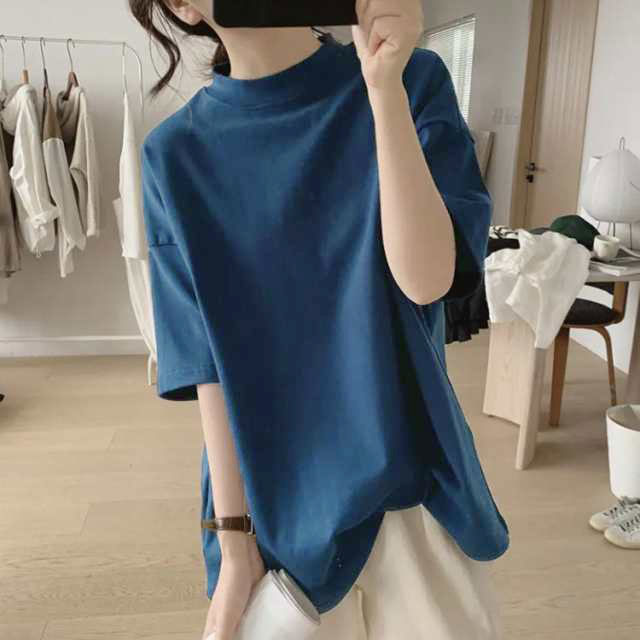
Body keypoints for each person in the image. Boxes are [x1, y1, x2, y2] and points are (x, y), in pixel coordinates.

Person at [129, 1, 510, 638]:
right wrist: (233, 547)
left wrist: (383, 92)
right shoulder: (174, 155)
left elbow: (427, 280)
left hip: (414, 488)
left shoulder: (412, 79)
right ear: (180, 5)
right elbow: (206, 368)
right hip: (272, 507)